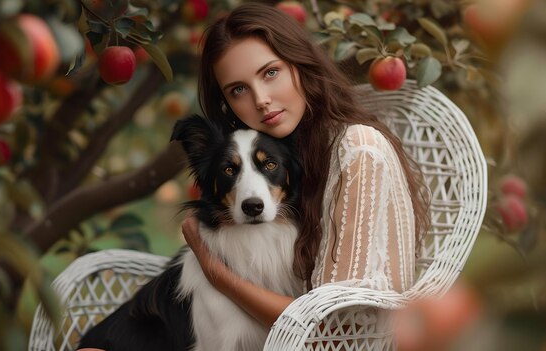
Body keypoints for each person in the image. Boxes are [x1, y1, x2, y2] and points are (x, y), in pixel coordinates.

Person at [182, 0, 430, 338]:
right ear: (227, 103)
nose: (260, 99)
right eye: (239, 89)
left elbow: (331, 329)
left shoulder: (357, 150)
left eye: (270, 72)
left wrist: (214, 270)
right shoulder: (293, 153)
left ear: (301, 64)